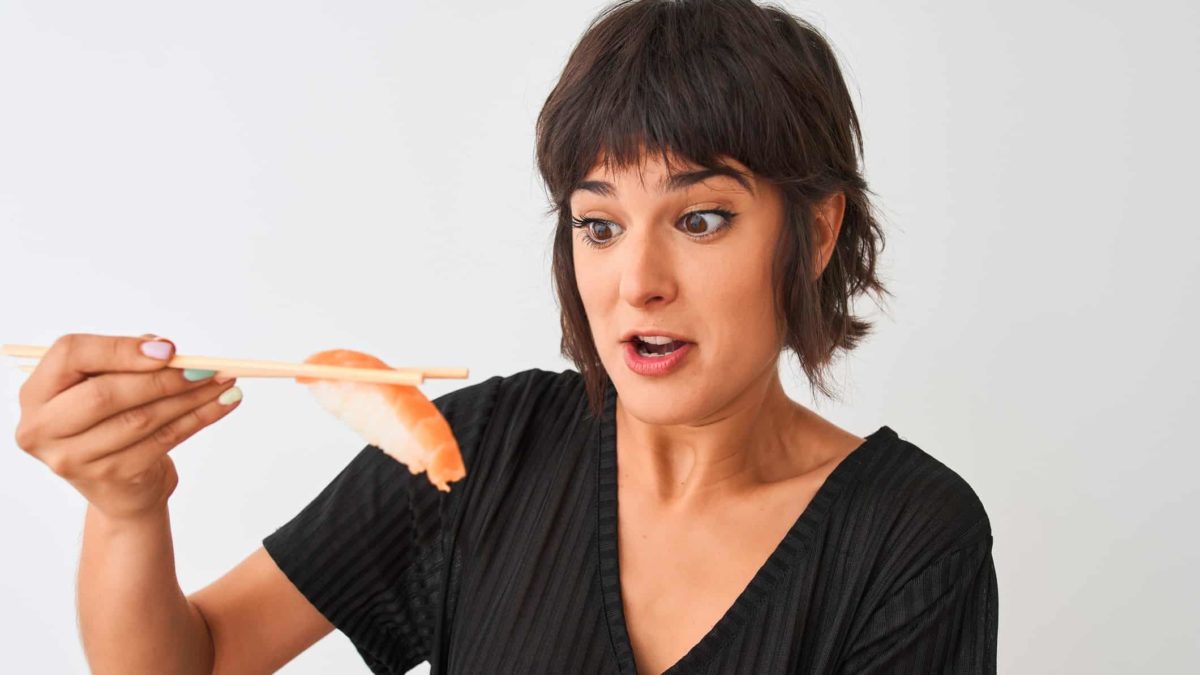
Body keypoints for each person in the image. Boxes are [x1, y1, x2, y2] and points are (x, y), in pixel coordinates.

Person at [15, 0, 996, 673]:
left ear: (816, 231)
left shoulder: (910, 536)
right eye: (599, 226)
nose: (638, 284)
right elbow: (193, 662)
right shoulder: (476, 455)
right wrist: (126, 506)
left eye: (700, 220)